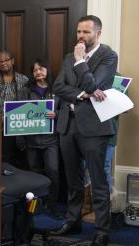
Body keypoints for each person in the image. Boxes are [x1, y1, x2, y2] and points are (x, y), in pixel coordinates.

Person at [50, 15, 117, 246]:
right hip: (67, 125)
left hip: (95, 128)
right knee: (73, 180)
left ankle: (102, 231)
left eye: (86, 32)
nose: (80, 36)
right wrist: (81, 95)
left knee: (98, 182)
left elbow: (93, 84)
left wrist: (80, 63)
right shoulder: (68, 57)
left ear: (98, 33)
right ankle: (73, 220)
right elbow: (58, 86)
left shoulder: (108, 56)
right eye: (78, 32)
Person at [18, 59, 60, 217]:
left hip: (51, 140)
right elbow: (18, 114)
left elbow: (65, 111)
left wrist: (57, 115)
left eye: (41, 69)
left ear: (48, 70)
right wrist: (20, 139)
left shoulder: (57, 89)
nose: (38, 72)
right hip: (31, 140)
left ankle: (53, 205)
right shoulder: (26, 91)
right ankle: (34, 206)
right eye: (35, 70)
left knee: (53, 172)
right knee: (33, 174)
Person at [0, 50, 28, 167]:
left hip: (14, 125)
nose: (3, 63)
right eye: (0, 61)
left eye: (6, 60)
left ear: (12, 61)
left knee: (10, 156)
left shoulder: (23, 80)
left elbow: (27, 103)